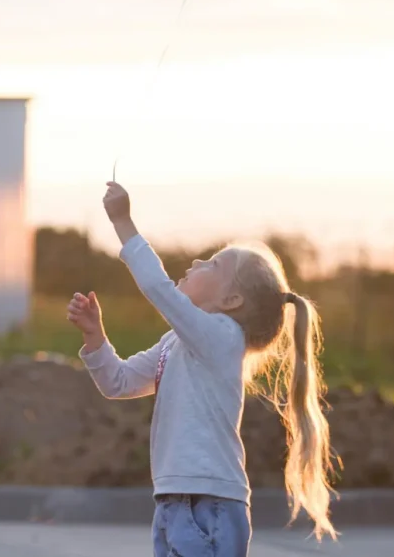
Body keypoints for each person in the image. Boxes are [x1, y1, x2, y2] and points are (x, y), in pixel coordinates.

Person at [66, 181, 336, 557]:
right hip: (174, 503)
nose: (195, 262)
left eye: (212, 263)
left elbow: (159, 289)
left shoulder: (224, 337)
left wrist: (123, 223)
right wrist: (96, 337)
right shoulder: (175, 344)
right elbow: (119, 382)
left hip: (208, 505)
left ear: (231, 300)